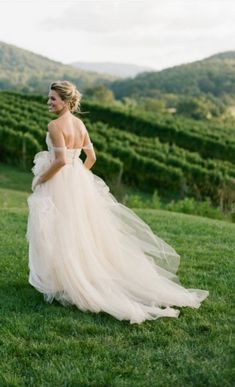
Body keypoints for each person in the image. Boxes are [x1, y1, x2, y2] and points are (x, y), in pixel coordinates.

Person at [26, 80, 209, 324]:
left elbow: (59, 162)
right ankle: (69, 276)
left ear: (66, 101)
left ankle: (67, 279)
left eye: (53, 99)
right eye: (49, 98)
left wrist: (40, 179)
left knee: (60, 229)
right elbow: (91, 156)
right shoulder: (80, 124)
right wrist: (79, 175)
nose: (48, 102)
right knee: (79, 230)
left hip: (60, 181)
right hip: (77, 181)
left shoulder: (54, 126)